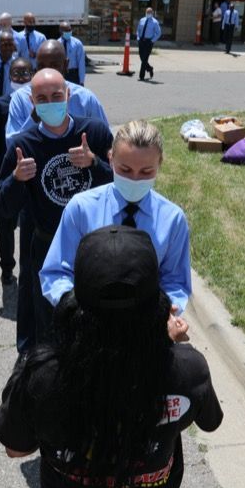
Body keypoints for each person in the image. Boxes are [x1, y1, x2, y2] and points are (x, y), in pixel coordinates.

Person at [0, 225, 223, 488]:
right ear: (158, 302)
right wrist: (172, 348)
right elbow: (209, 421)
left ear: (76, 301)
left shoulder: (44, 374)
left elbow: (15, 447)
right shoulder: (186, 368)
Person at [41, 120, 191, 342]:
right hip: (88, 331)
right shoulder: (82, 208)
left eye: (146, 171)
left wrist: (167, 313)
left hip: (146, 333)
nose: (134, 179)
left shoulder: (173, 219)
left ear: (159, 164)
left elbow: (175, 280)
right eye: (125, 170)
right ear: (110, 159)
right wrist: (75, 309)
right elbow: (57, 272)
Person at [0, 68, 113, 348]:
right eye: (42, 98)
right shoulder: (21, 145)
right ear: (32, 103)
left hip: (93, 247)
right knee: (50, 321)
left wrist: (94, 163)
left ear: (69, 95)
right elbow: (3, 206)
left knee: (95, 320)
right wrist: (16, 179)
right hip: (48, 249)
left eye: (57, 96)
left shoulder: (94, 132)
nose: (51, 103)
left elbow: (121, 184)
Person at [0, 59, 34, 351]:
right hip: (8, 175)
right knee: (6, 225)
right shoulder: (0, 105)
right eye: (16, 73)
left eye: (25, 72)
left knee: (27, 225)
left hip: (32, 175)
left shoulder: (38, 101)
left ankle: (28, 267)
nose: (20, 76)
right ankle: (7, 267)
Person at [5, 41, 108, 138]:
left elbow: (106, 141)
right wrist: (33, 119)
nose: (48, 72)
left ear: (66, 65)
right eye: (42, 66)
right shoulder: (21, 99)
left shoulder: (86, 99)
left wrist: (91, 156)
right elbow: (11, 142)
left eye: (54, 66)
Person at [136, 8, 161, 81]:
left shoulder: (155, 22)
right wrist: (138, 38)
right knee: (141, 56)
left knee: (145, 59)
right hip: (141, 41)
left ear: (152, 13)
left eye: (149, 12)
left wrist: (152, 40)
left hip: (148, 42)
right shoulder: (142, 20)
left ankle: (141, 76)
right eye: (147, 12)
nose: (148, 13)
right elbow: (138, 30)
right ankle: (150, 68)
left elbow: (158, 33)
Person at [58, 21, 86, 85]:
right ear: (61, 31)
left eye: (69, 30)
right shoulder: (57, 44)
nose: (68, 32)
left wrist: (81, 81)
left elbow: (81, 63)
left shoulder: (77, 43)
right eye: (66, 31)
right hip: (61, 73)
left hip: (73, 74)